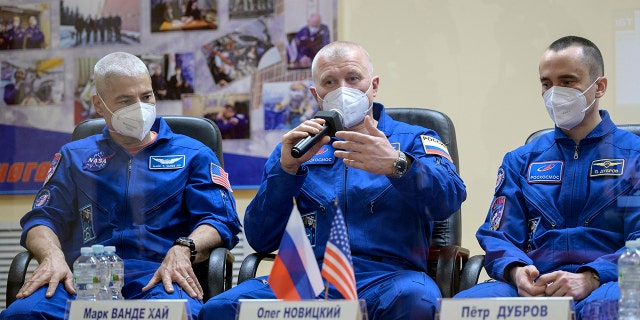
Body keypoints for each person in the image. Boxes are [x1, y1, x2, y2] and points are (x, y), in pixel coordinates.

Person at [199, 41, 467, 320]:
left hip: (388, 277)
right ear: (317, 95)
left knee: (418, 301)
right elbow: (260, 238)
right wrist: (286, 170)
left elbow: (450, 198)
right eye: (330, 81)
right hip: (307, 277)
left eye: (353, 78)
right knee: (220, 309)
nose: (343, 89)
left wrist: (397, 164)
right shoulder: (298, 146)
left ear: (373, 86)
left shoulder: (413, 139)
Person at [0, 52, 242, 320]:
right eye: (126, 100)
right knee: (21, 314)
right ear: (99, 104)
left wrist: (184, 247)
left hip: (160, 276)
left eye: (146, 96)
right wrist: (51, 255)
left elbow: (220, 220)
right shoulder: (74, 156)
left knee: (180, 314)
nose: (140, 107)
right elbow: (42, 219)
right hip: (84, 279)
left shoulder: (194, 153)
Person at [454, 36, 640, 319]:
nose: (555, 93)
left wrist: (591, 276)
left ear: (599, 86)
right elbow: (499, 235)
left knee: (607, 309)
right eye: (546, 83)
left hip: (609, 282)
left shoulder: (634, 155)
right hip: (539, 282)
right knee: (464, 308)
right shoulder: (520, 161)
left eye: (567, 82)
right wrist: (517, 272)